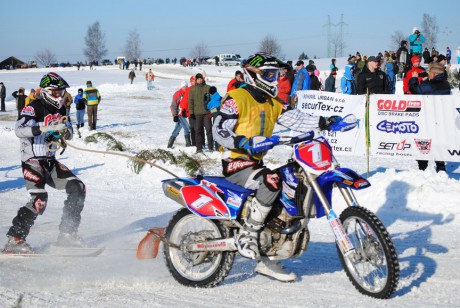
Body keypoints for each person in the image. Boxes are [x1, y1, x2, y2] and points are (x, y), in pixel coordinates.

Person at [212, 52, 341, 282]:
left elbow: (297, 119)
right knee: (271, 181)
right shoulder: (236, 97)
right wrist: (242, 141)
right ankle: (248, 236)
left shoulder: (273, 104)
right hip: (236, 163)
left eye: (276, 75)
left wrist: (326, 121)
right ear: (253, 74)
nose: (274, 79)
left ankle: (266, 256)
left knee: (289, 183)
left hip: (256, 164)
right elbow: (219, 128)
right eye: (269, 74)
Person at [2, 72, 86, 254]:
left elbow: (68, 129)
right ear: (46, 91)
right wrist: (46, 128)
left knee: (78, 187)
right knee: (39, 200)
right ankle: (15, 239)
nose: (60, 96)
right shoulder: (33, 108)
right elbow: (19, 130)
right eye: (55, 92)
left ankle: (67, 234)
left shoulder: (62, 108)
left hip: (50, 161)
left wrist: (64, 132)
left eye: (61, 92)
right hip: (33, 161)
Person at [409, 62, 451, 172]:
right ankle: (440, 166)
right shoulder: (445, 83)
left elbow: (415, 90)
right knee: (439, 142)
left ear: (433, 73)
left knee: (424, 140)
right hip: (440, 119)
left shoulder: (433, 85)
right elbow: (431, 90)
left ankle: (422, 166)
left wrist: (414, 79)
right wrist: (426, 81)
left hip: (428, 118)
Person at [188, 73, 213, 153]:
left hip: (206, 113)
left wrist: (212, 111)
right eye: (198, 79)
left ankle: (211, 147)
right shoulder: (192, 90)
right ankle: (199, 148)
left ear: (203, 79)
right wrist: (191, 112)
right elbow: (190, 102)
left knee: (209, 130)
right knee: (197, 131)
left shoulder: (208, 88)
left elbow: (213, 99)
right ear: (196, 80)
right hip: (197, 114)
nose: (199, 80)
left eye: (201, 78)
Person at [167, 81, 191, 148]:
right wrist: (175, 115)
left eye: (186, 86)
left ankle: (169, 145)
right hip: (179, 114)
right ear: (181, 87)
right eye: (184, 86)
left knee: (177, 129)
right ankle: (188, 144)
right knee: (187, 128)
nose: (185, 88)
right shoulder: (177, 94)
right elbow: (173, 105)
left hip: (185, 114)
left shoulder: (188, 93)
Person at [181, 76, 196, 146]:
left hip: (199, 112)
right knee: (192, 128)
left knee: (199, 128)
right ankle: (193, 143)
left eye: (195, 81)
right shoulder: (188, 90)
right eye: (192, 81)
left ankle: (201, 142)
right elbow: (184, 101)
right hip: (190, 112)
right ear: (190, 82)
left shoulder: (199, 88)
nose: (194, 82)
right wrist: (183, 109)